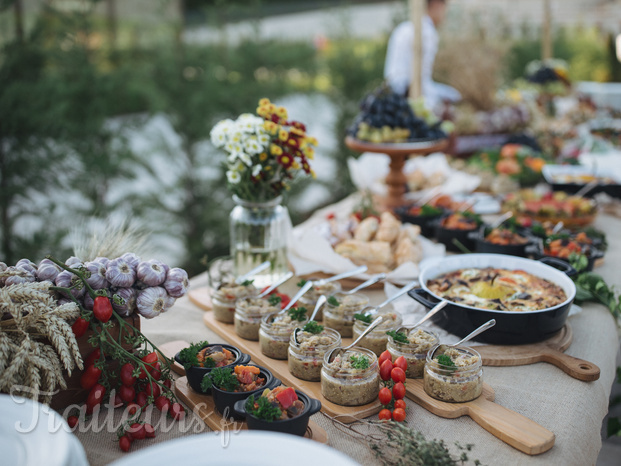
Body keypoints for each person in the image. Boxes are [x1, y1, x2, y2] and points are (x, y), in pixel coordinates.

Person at [384, 0, 461, 110]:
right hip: (408, 93)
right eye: (444, 10)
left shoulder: (403, 28)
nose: (445, 16)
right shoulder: (426, 32)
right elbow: (421, 78)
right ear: (436, 5)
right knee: (453, 96)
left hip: (394, 92)